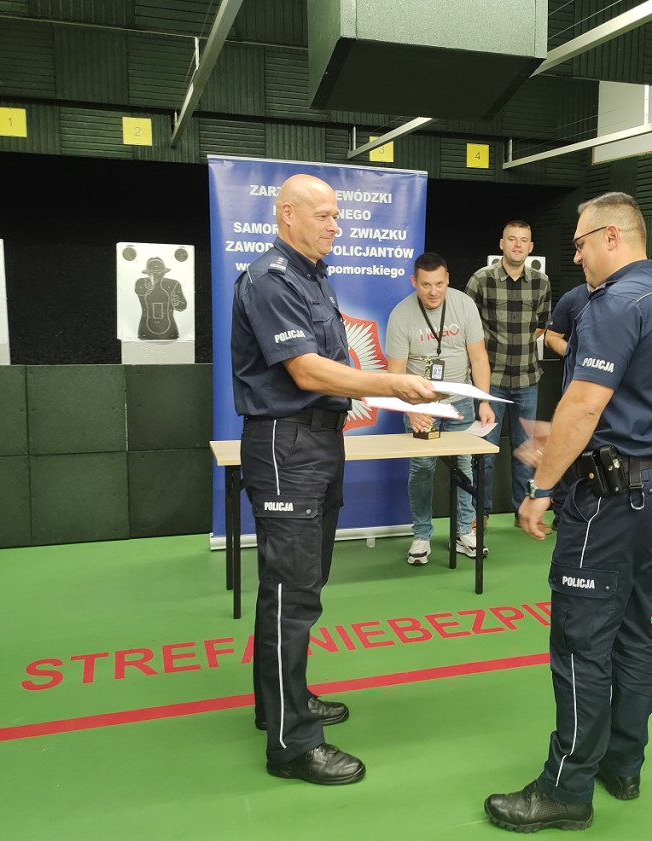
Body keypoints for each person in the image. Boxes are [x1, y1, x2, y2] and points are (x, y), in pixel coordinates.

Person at [483, 192, 652, 833]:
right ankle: (622, 762)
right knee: (634, 624)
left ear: (610, 236)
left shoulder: (615, 303)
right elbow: (635, 402)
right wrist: (568, 437)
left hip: (611, 499)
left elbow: (586, 404)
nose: (573, 255)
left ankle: (567, 787)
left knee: (581, 638)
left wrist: (540, 487)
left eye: (577, 242)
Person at [231, 173, 438, 785]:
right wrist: (395, 386)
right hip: (285, 445)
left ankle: (280, 704)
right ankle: (293, 745)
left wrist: (398, 395)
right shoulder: (270, 279)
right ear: (286, 214)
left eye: (337, 216)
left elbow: (337, 365)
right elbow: (305, 369)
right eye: (323, 215)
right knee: (290, 591)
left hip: (318, 441)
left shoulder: (313, 276)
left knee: (304, 584)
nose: (335, 225)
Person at [385, 252, 496, 565]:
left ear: (447, 279)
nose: (433, 291)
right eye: (425, 285)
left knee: (464, 465)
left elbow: (478, 359)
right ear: (414, 282)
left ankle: (464, 532)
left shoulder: (464, 306)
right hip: (420, 405)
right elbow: (395, 374)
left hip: (458, 403)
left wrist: (483, 401)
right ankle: (421, 535)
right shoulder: (401, 315)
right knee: (422, 468)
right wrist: (410, 411)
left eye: (439, 284)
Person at [465, 221, 552, 531]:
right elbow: (468, 328)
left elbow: (542, 325)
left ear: (530, 248)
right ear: (501, 244)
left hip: (528, 378)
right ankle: (480, 512)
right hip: (492, 381)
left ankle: (523, 511)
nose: (517, 245)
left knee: (526, 451)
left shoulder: (541, 282)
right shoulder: (481, 280)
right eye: (512, 239)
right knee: (485, 453)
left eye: (524, 241)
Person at [543, 280, 594, 529]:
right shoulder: (573, 297)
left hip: (613, 394)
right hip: (575, 388)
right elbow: (551, 337)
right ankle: (562, 508)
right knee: (568, 446)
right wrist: (576, 354)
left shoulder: (626, 298)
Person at [135, 256, 187, 340]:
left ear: (164, 272)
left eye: (159, 273)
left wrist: (177, 303)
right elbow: (140, 291)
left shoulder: (174, 284)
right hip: (146, 330)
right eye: (153, 273)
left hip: (169, 331)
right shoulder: (141, 283)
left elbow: (183, 306)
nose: (156, 276)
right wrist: (149, 286)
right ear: (148, 273)